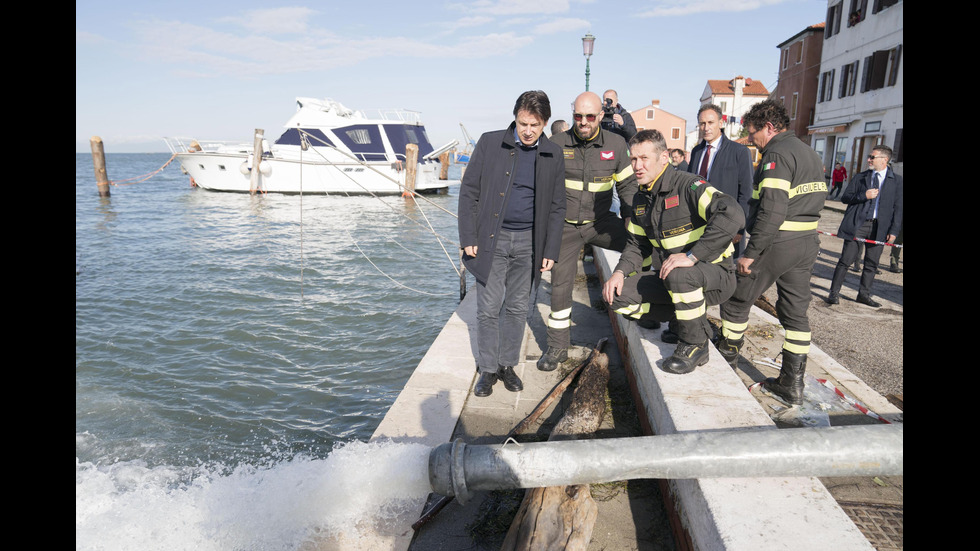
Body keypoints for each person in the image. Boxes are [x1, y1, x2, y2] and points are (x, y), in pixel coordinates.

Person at [602, 129, 743, 374]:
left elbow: (732, 213)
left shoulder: (689, 186)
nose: (637, 165)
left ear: (664, 158)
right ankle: (686, 321)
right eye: (633, 159)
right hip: (675, 280)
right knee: (617, 297)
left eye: (644, 158)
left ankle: (694, 344)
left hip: (717, 276)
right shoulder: (640, 198)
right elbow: (636, 246)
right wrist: (619, 273)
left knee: (679, 273)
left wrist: (693, 256)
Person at [717, 99, 827, 405]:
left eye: (753, 134)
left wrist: (751, 252)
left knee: (738, 298)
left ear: (769, 127)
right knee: (795, 313)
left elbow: (772, 209)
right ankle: (792, 384)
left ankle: (727, 358)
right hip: (806, 242)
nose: (752, 140)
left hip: (779, 241)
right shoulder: (808, 152)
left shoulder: (776, 153)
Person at [458, 90, 567, 397]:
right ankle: (488, 370)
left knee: (518, 309)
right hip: (492, 239)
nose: (528, 131)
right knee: (488, 308)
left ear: (544, 123)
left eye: (534, 124)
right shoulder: (490, 142)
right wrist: (468, 237)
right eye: (522, 123)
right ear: (515, 118)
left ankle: (508, 366)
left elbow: (559, 206)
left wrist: (551, 250)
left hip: (531, 243)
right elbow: (469, 193)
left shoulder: (553, 154)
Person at [538, 91, 637, 372]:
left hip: (602, 222)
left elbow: (628, 188)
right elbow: (542, 189)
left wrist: (630, 220)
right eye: (578, 116)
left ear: (600, 116)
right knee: (560, 285)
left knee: (644, 253)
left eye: (590, 116)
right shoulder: (556, 144)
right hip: (566, 228)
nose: (583, 122)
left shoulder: (617, 145)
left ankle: (646, 311)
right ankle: (557, 347)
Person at [826, 146, 903, 307]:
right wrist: (864, 196)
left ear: (884, 160)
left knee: (871, 264)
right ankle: (834, 294)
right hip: (858, 225)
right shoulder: (861, 177)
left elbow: (898, 208)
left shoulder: (897, 181)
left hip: (879, 228)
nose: (869, 159)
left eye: (872, 157)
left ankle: (863, 295)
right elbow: (846, 198)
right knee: (845, 261)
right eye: (869, 156)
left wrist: (894, 231)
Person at [687, 104, 753, 257]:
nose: (706, 127)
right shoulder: (697, 152)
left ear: (721, 123)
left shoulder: (739, 152)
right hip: (699, 225)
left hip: (728, 225)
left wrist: (739, 229)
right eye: (702, 123)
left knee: (726, 273)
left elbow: (746, 193)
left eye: (711, 123)